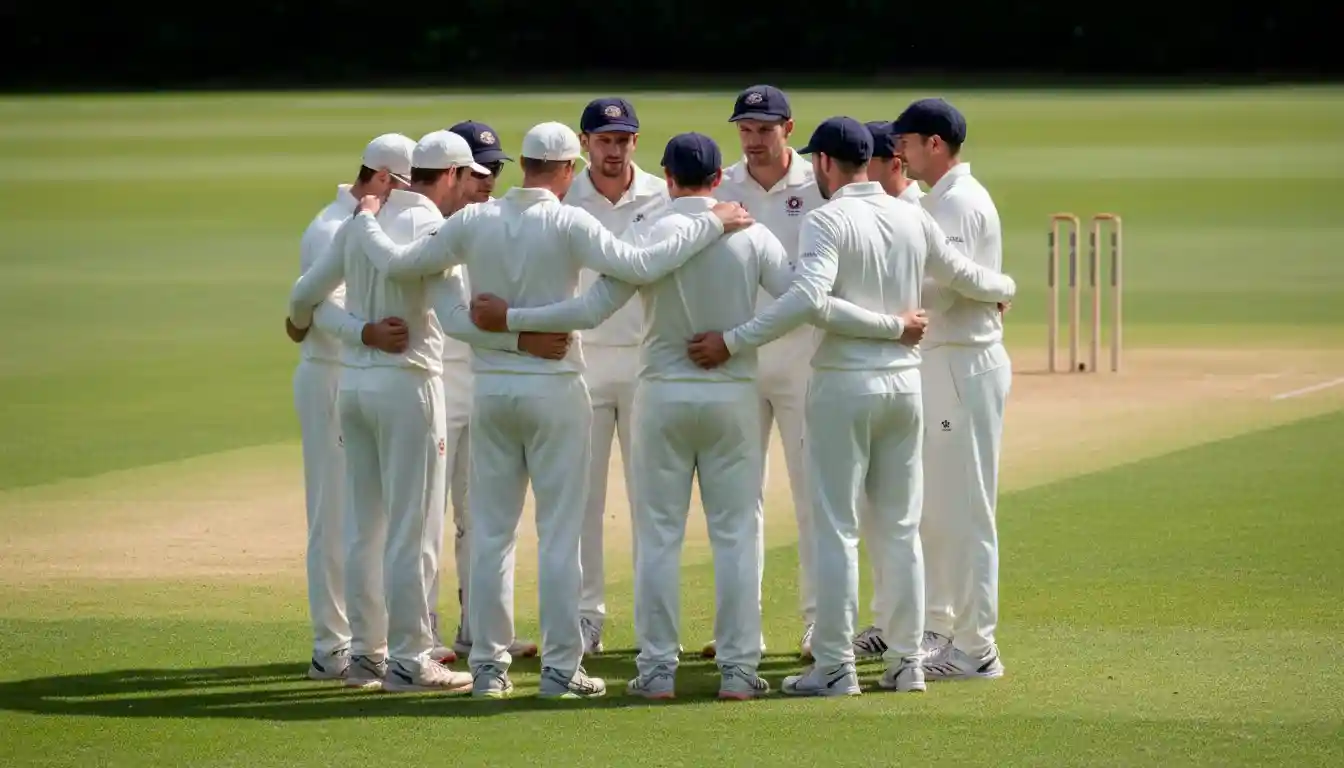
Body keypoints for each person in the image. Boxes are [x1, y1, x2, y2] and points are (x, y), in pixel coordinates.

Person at [340, 121, 754, 699]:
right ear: (566, 170)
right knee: (559, 533)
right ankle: (561, 671)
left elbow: (398, 265)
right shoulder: (569, 219)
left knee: (490, 534)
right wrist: (713, 221)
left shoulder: (474, 219)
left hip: (492, 392)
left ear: (528, 164)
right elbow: (638, 268)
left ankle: (488, 669)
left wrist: (363, 217)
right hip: (556, 391)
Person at [686, 116, 1016, 696]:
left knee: (838, 529)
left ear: (823, 164)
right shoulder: (912, 213)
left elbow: (810, 301)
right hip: (907, 387)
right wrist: (1006, 290)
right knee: (901, 527)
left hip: (844, 385)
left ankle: (835, 667)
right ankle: (907, 663)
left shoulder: (826, 218)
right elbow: (966, 276)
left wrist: (735, 341)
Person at [287, 130, 515, 694]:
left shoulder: (361, 221)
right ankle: (411, 658)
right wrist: (521, 334)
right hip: (411, 386)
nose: (475, 192)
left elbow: (304, 300)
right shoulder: (432, 230)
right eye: (471, 180)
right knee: (412, 530)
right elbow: (458, 321)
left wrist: (341, 331)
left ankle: (367, 654)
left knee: (365, 525)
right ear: (454, 176)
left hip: (356, 389)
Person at [703, 84, 825, 661]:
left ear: (789, 129)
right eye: (746, 129)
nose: (754, 140)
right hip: (737, 361)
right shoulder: (721, 187)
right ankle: (737, 629)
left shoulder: (819, 184)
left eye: (765, 129)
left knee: (812, 497)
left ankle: (817, 624)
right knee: (735, 501)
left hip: (803, 361)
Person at [290, 133, 417, 682]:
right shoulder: (329, 229)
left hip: (363, 375)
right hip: (330, 377)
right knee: (334, 512)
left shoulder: (370, 220)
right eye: (408, 186)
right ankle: (331, 647)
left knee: (366, 516)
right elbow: (314, 313)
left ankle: (366, 641)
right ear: (384, 178)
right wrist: (367, 332)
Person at [894, 98, 1013, 681]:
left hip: (964, 365)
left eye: (908, 143)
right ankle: (952, 633)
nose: (901, 152)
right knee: (943, 510)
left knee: (967, 513)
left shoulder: (959, 201)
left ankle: (977, 649)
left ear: (934, 144)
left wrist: (1002, 283)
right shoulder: (938, 199)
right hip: (949, 364)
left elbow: (951, 280)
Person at [562, 98, 669, 655]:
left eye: (623, 139)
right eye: (604, 140)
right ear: (585, 144)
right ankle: (586, 616)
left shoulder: (661, 192)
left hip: (646, 361)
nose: (614, 150)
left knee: (651, 499)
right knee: (582, 498)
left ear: (636, 140)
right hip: (583, 361)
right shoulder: (563, 195)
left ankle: (656, 619)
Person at [431, 119, 540, 664]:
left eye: (494, 170)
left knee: (485, 514)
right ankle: (419, 634)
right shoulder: (426, 224)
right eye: (478, 171)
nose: (488, 181)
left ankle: (482, 629)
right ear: (451, 172)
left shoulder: (494, 224)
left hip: (484, 382)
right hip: (430, 380)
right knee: (424, 513)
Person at [849, 119, 926, 661]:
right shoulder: (890, 213)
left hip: (913, 374)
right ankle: (893, 633)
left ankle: (925, 634)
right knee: (884, 518)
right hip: (901, 376)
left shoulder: (917, 213)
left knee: (910, 518)